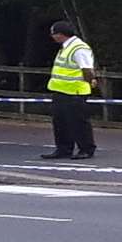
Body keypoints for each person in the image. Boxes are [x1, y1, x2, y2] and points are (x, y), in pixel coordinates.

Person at [41, 20, 99, 160]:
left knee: (78, 122)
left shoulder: (79, 48)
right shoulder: (66, 47)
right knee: (60, 122)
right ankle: (63, 149)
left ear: (60, 34)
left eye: (53, 33)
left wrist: (90, 82)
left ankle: (86, 149)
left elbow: (86, 69)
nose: (52, 36)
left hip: (75, 92)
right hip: (61, 91)